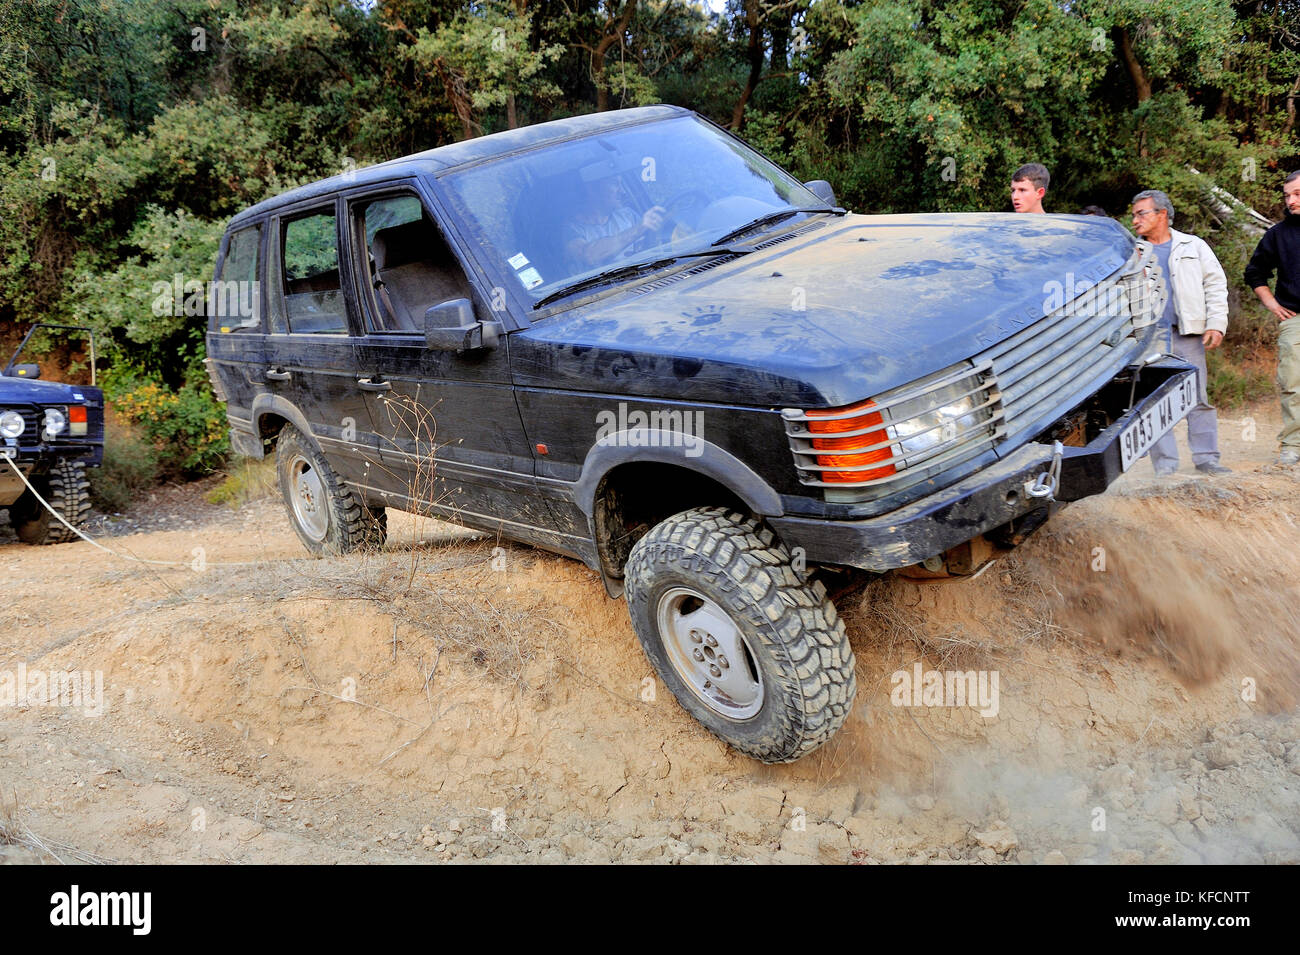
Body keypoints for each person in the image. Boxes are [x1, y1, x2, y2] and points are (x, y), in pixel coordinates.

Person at [1130, 189, 1232, 476]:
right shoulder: (1131, 252)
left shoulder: (1193, 246)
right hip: (1149, 339)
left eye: (1142, 213)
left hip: (1187, 334)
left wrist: (1216, 323)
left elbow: (1215, 285)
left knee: (1197, 397)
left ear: (1161, 215)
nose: (1135, 220)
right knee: (1153, 402)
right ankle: (1165, 467)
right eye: (1134, 214)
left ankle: (1206, 459)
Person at [1243, 170, 1300, 467]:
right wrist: (1272, 304)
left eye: (1298, 194)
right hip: (1295, 319)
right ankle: (1293, 445)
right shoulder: (1278, 234)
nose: (1291, 201)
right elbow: (1254, 272)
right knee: (1293, 382)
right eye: (1287, 195)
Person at [565, 164, 666, 270]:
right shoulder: (571, 230)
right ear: (592, 188)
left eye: (621, 184)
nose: (622, 191)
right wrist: (638, 229)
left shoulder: (627, 215)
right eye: (614, 184)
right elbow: (590, 256)